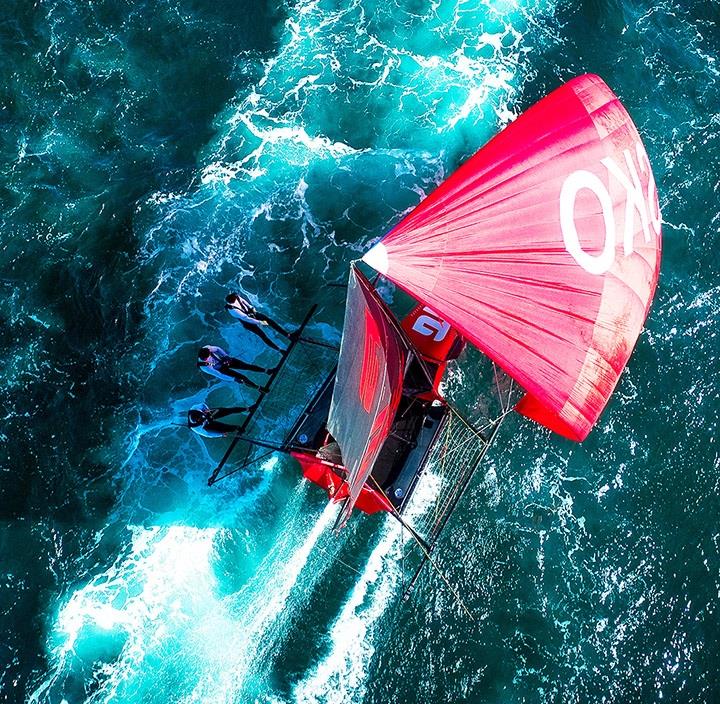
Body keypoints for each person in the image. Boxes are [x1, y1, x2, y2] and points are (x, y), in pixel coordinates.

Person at [225, 292, 290, 352]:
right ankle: (279, 350)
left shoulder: (236, 297)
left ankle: (287, 335)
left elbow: (245, 303)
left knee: (270, 321)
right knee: (262, 335)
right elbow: (247, 319)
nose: (237, 298)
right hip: (248, 323)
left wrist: (253, 309)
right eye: (235, 299)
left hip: (252, 313)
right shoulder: (232, 310)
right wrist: (261, 322)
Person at [197, 345, 276, 391]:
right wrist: (233, 379)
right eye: (206, 358)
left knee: (246, 366)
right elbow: (219, 375)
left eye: (208, 356)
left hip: (224, 360)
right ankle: (259, 388)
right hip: (221, 370)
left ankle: (267, 371)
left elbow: (218, 349)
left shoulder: (207, 348)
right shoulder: (205, 367)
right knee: (242, 378)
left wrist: (226, 356)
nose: (207, 358)